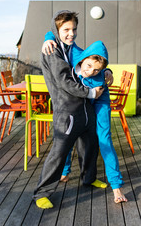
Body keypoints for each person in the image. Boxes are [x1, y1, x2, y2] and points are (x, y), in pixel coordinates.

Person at [33, 10, 107, 209]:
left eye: (74, 29)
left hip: (85, 110)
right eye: (66, 30)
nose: (71, 33)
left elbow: (90, 60)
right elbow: (64, 81)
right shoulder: (51, 50)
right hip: (67, 113)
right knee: (59, 153)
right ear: (56, 30)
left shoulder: (72, 48)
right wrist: (91, 93)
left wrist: (105, 70)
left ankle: (89, 178)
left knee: (90, 147)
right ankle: (41, 192)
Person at [43, 37, 128, 203]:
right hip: (78, 103)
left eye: (97, 70)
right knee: (68, 133)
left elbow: (100, 67)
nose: (90, 72)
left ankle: (117, 187)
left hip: (100, 102)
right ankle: (65, 171)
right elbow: (60, 30)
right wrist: (47, 39)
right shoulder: (77, 54)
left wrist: (106, 72)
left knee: (104, 140)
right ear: (83, 58)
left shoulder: (99, 74)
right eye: (89, 66)